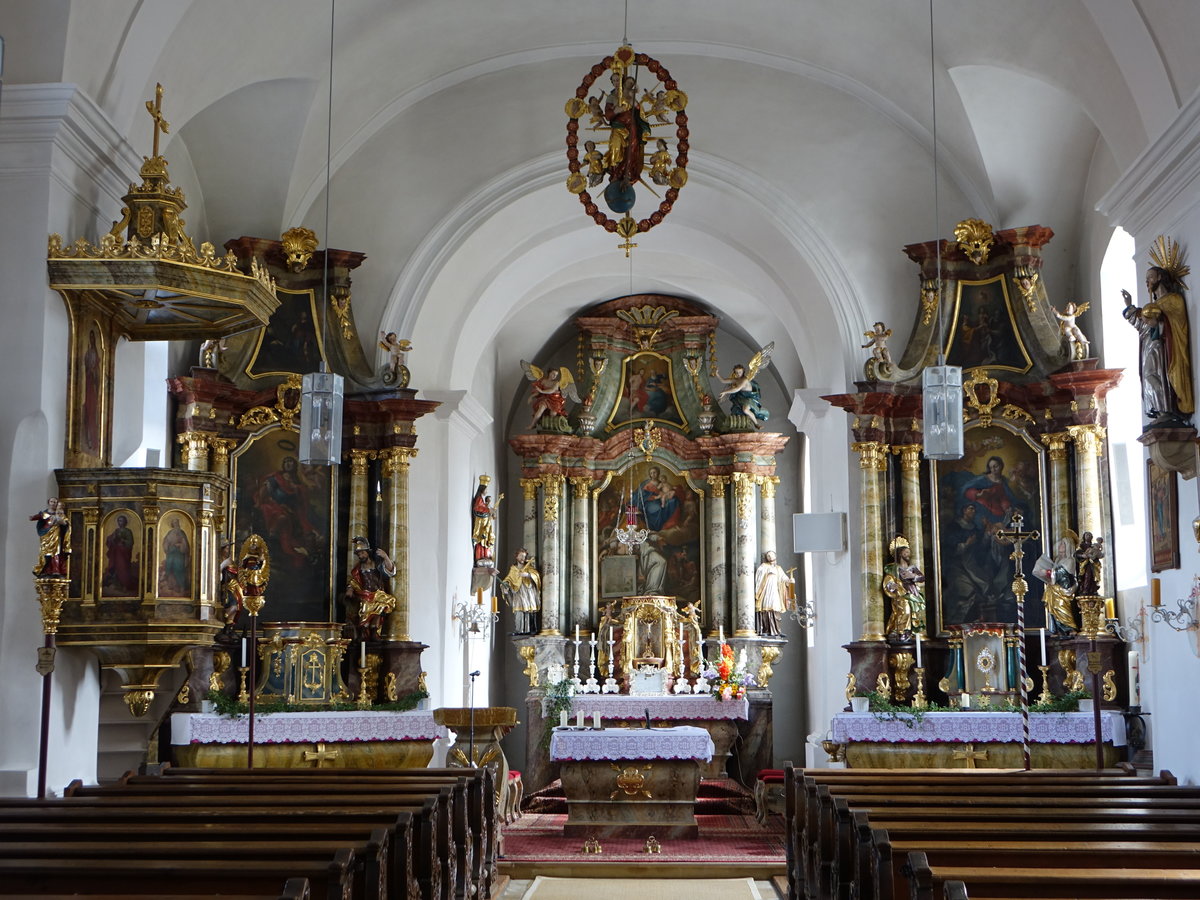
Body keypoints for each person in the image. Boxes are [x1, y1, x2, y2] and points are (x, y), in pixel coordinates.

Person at [1123, 266, 1193, 424]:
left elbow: (1174, 323)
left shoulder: (1173, 299)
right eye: (1146, 279)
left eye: (1150, 277)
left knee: (1154, 375)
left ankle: (1166, 410)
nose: (1147, 281)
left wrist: (1158, 322)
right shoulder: (1153, 306)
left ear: (1160, 277)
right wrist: (1129, 306)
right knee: (1148, 377)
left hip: (1162, 348)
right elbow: (1142, 325)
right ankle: (1160, 411)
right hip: (1149, 347)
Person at [345, 536, 397, 640]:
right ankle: (364, 633)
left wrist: (385, 557)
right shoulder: (358, 568)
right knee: (365, 616)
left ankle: (374, 631)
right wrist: (350, 589)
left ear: (368, 552)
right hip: (366, 595)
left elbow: (390, 570)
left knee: (380, 608)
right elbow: (354, 581)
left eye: (362, 553)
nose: (361, 556)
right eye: (359, 554)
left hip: (378, 595)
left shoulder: (376, 564)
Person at [882, 535, 926, 637]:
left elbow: (922, 578)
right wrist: (891, 585)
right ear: (900, 553)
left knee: (912, 612)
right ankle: (898, 631)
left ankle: (907, 632)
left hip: (912, 592)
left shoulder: (912, 567)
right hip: (900, 592)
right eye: (906, 553)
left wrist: (912, 576)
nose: (908, 555)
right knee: (903, 611)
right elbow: (889, 579)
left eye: (909, 553)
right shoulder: (893, 568)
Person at [1034, 534, 1078, 634]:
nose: (1060, 545)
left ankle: (1069, 628)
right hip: (1053, 590)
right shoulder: (1058, 560)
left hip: (1063, 590)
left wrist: (1046, 572)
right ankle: (1059, 630)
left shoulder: (1070, 560)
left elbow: (1061, 572)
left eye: (1063, 544)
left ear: (1068, 546)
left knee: (1063, 609)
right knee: (1053, 609)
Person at [520, 360, 581, 429]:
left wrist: (542, 391)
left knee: (553, 414)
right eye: (553, 374)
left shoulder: (556, 383)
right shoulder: (543, 381)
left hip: (555, 400)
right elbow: (538, 392)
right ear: (549, 373)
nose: (554, 376)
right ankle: (532, 424)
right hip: (546, 399)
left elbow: (551, 390)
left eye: (556, 375)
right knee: (540, 410)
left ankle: (552, 428)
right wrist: (531, 396)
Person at [498, 548, 541, 635]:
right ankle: (519, 630)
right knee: (518, 610)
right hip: (518, 592)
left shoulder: (529, 567)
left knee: (530, 609)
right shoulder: (513, 569)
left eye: (524, 557)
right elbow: (508, 579)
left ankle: (531, 629)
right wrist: (505, 586)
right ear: (516, 557)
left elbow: (536, 575)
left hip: (528, 592)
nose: (522, 559)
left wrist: (528, 575)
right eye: (521, 556)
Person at [754, 550, 794, 637]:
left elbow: (784, 578)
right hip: (766, 591)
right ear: (767, 558)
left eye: (772, 556)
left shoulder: (778, 568)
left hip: (775, 591)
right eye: (769, 556)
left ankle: (777, 631)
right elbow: (758, 577)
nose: (771, 558)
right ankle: (766, 630)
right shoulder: (763, 567)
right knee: (766, 609)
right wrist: (767, 573)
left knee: (776, 608)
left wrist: (789, 581)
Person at [31, 497, 71, 578]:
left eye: (55, 502)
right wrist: (32, 517)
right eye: (52, 501)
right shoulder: (44, 514)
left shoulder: (59, 513)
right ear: (48, 503)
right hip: (46, 536)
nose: (53, 503)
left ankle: (55, 570)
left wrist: (62, 522)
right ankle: (45, 569)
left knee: (55, 552)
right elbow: (38, 518)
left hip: (56, 536)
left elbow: (66, 524)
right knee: (45, 553)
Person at [102, 513, 136, 595]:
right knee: (116, 567)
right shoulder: (116, 531)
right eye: (119, 521)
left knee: (123, 567)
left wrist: (122, 541)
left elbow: (130, 542)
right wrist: (111, 539)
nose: (120, 522)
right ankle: (117, 584)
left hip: (124, 553)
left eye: (122, 521)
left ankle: (126, 584)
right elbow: (109, 540)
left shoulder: (128, 531)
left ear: (125, 522)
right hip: (116, 552)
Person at [217, 538, 243, 635]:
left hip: (234, 588)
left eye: (229, 548)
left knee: (237, 606)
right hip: (224, 589)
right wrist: (222, 567)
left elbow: (236, 573)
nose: (228, 551)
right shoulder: (217, 561)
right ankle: (226, 617)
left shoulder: (231, 562)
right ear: (221, 549)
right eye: (226, 548)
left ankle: (229, 625)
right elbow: (218, 577)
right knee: (233, 606)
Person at [159, 516, 190, 596]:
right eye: (174, 523)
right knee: (169, 568)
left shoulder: (181, 532)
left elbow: (185, 545)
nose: (176, 525)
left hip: (179, 554)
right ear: (172, 525)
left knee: (179, 569)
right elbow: (165, 542)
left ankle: (181, 587)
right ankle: (172, 585)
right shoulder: (170, 533)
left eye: (177, 523)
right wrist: (167, 547)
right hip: (171, 553)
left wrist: (180, 545)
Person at [471, 481, 499, 564]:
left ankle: (485, 555)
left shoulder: (481, 499)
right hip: (481, 524)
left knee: (486, 539)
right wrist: (488, 510)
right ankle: (480, 556)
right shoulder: (479, 499)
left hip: (485, 523)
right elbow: (477, 508)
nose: (486, 491)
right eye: (486, 489)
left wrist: (491, 512)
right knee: (481, 539)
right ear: (482, 490)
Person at [1075, 531, 1103, 597]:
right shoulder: (1082, 546)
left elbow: (1099, 552)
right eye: (1087, 535)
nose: (1089, 536)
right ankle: (1085, 589)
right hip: (1086, 565)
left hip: (1093, 564)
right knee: (1087, 576)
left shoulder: (1094, 546)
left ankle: (1093, 590)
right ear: (1084, 537)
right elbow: (1076, 554)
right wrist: (1082, 556)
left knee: (1094, 577)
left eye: (1090, 535)